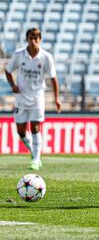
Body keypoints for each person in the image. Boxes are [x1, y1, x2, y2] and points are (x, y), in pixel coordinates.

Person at [5, 27, 61, 170]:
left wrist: (57, 99)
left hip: (37, 97)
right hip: (21, 98)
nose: (34, 41)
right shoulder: (19, 54)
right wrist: (13, 86)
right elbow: (8, 70)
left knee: (35, 128)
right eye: (31, 38)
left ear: (40, 39)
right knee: (21, 131)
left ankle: (36, 159)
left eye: (36, 38)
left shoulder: (46, 57)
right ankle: (33, 152)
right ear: (27, 39)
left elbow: (53, 78)